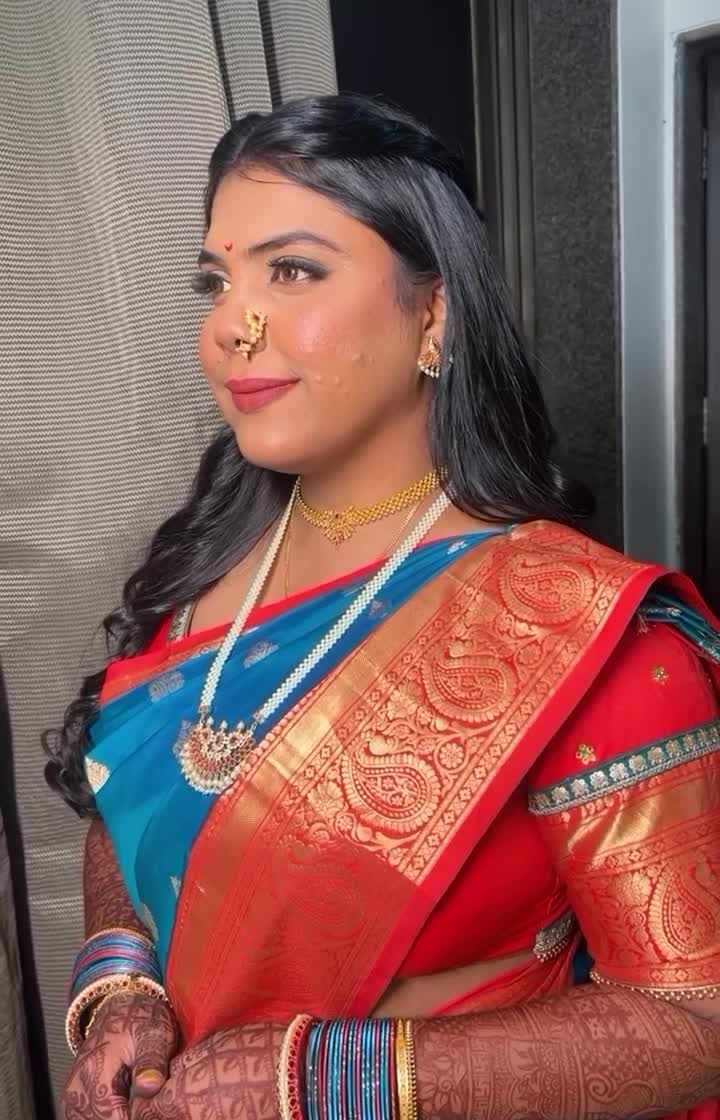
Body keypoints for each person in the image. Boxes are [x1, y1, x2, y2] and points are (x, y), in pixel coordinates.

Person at [46, 93, 720, 1120]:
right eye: (215, 281)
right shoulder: (206, 570)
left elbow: (696, 1018)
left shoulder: (580, 632)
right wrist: (122, 987)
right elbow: (135, 806)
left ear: (432, 313)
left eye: (293, 270)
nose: (232, 324)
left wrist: (322, 1077)